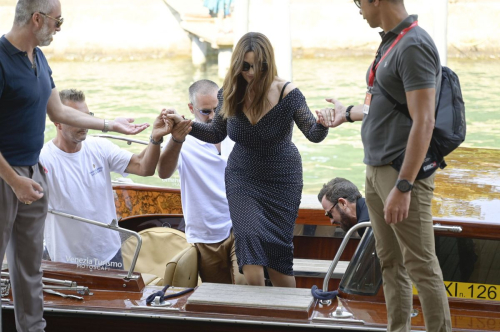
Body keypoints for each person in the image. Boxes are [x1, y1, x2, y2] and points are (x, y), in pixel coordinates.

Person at [0, 1, 149, 330]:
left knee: (28, 266)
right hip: (5, 176)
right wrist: (13, 181)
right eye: (57, 21)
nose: (59, 28)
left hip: (31, 173)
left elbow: (59, 113)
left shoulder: (38, 58)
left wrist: (110, 124)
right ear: (36, 18)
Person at [316, 0, 452, 331]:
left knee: (421, 264)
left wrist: (404, 186)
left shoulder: (414, 45)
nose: (359, 8)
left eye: (359, 2)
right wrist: (346, 113)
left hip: (400, 172)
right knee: (390, 262)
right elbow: (382, 105)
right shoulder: (391, 41)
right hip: (375, 171)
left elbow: (425, 120)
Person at [168, 32, 329, 287]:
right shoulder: (229, 93)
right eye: (245, 66)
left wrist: (323, 123)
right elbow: (216, 132)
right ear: (237, 64)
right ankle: (258, 312)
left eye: (258, 66)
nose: (251, 72)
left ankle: (287, 317)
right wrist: (184, 124)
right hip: (242, 177)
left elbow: (313, 133)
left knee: (278, 252)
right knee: (249, 237)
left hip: (282, 179)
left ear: (268, 63)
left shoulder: (289, 92)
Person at [40, 89, 172, 269]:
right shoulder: (43, 159)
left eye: (88, 117)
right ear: (58, 122)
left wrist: (155, 138)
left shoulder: (99, 147)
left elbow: (144, 167)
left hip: (110, 255)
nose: (85, 124)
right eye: (77, 118)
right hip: (65, 261)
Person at [157, 80, 244, 285]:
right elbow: (163, 172)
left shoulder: (237, 132)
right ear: (191, 108)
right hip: (205, 232)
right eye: (205, 111)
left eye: (217, 110)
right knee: (218, 295)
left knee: (246, 285)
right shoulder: (183, 140)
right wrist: (176, 139)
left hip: (240, 225)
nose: (213, 117)